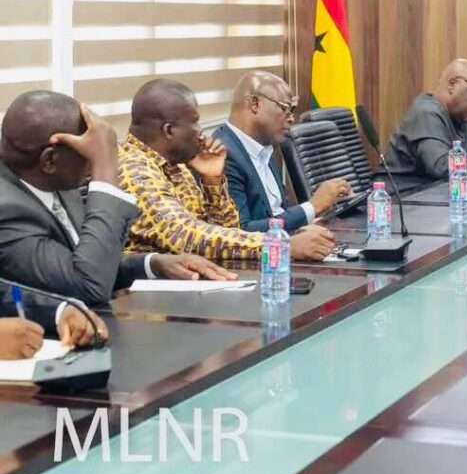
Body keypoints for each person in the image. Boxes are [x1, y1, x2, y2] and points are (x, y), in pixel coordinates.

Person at [0, 91, 231, 343]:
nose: (96, 164)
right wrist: (106, 171)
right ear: (50, 160)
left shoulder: (56, 183)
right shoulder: (8, 209)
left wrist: (152, 264)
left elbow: (85, 261)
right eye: (90, 156)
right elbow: (87, 284)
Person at [118, 79, 335, 261]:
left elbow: (228, 230)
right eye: (195, 123)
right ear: (169, 130)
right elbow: (186, 237)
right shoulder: (134, 170)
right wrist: (279, 245)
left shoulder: (176, 166)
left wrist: (213, 181)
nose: (201, 132)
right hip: (152, 301)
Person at [214, 72, 351, 233]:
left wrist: (309, 222)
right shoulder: (222, 155)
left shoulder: (265, 146)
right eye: (286, 108)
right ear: (255, 104)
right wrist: (313, 207)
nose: (292, 118)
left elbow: (278, 212)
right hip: (261, 256)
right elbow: (242, 232)